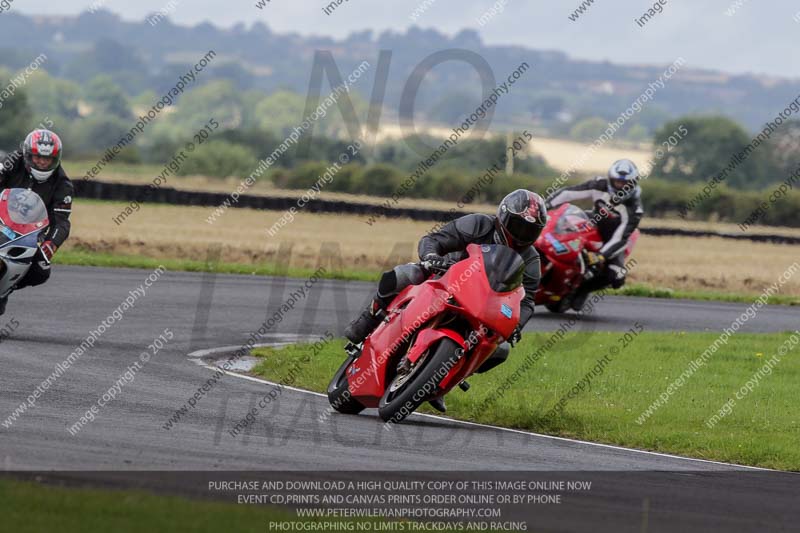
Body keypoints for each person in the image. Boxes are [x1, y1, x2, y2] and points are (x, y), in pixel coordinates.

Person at [344, 189, 547, 410]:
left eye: (530, 231)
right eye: (518, 226)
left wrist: (517, 324)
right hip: (446, 277)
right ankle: (367, 321)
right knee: (406, 274)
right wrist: (432, 257)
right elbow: (434, 239)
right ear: (503, 216)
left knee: (501, 349)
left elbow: (526, 301)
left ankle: (445, 379)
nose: (522, 234)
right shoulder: (478, 224)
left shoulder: (531, 260)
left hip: (486, 306)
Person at [545, 159, 643, 310]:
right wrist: (544, 206)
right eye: (618, 182)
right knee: (561, 231)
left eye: (626, 184)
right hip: (593, 223)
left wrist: (602, 256)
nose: (621, 187)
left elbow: (621, 237)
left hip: (613, 240)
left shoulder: (634, 209)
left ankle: (582, 289)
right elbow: (568, 194)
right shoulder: (599, 185)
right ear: (611, 180)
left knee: (617, 276)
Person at [0, 129, 73, 316]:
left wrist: (50, 245)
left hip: (27, 233)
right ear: (27, 155)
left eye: (47, 159)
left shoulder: (63, 184)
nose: (41, 162)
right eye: (37, 157)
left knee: (41, 270)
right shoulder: (11, 162)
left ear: (55, 159)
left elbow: (62, 222)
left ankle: (4, 290)